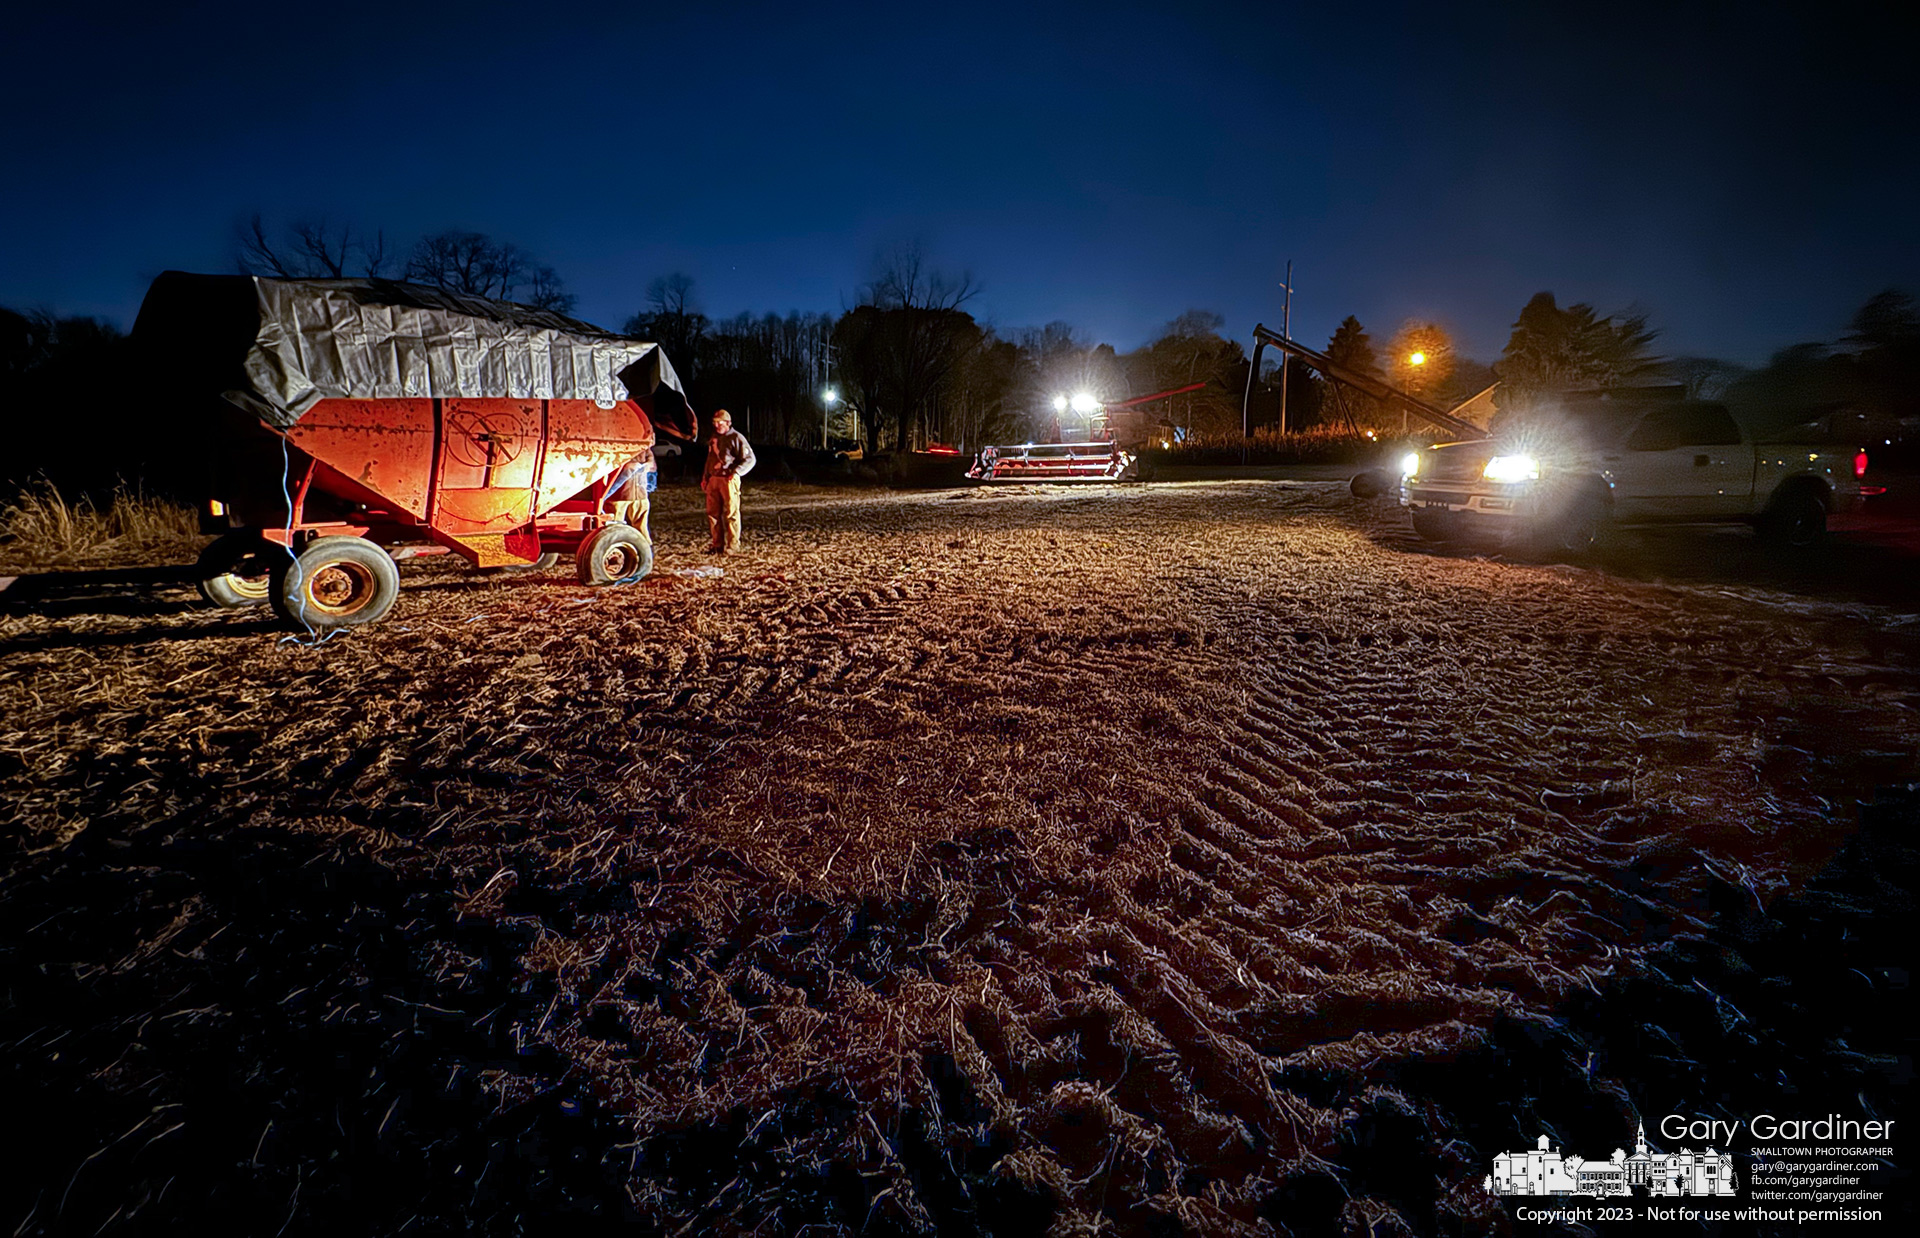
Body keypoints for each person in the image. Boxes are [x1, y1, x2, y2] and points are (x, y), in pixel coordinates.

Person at [702, 408, 755, 554]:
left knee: (731, 513)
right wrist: (705, 477)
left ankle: (733, 546)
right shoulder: (714, 438)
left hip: (728, 479)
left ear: (728, 423)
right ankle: (717, 545)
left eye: (720, 422)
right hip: (714, 479)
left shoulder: (736, 438)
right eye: (715, 422)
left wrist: (737, 472)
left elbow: (750, 459)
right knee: (713, 513)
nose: (717, 425)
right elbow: (709, 459)